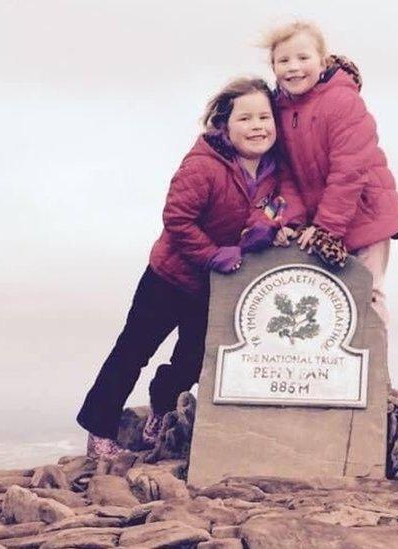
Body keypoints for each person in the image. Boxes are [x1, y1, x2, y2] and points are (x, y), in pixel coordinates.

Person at [76, 77, 304, 459]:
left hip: (216, 285)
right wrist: (214, 253)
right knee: (133, 351)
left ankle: (162, 404)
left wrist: (271, 229)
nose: (257, 126)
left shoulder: (274, 171)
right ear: (224, 124)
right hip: (169, 277)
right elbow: (177, 220)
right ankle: (100, 431)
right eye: (245, 118)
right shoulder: (203, 165)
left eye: (265, 117)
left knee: (193, 360)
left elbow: (273, 210)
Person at [260, 21, 398, 324]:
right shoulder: (281, 111)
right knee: (328, 299)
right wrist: (296, 222)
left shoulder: (342, 100)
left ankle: (372, 367)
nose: (294, 68)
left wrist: (326, 229)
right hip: (323, 219)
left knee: (366, 293)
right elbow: (286, 175)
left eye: (303, 58)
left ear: (321, 59)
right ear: (273, 66)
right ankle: (336, 368)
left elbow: (349, 171)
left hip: (366, 213)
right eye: (283, 60)